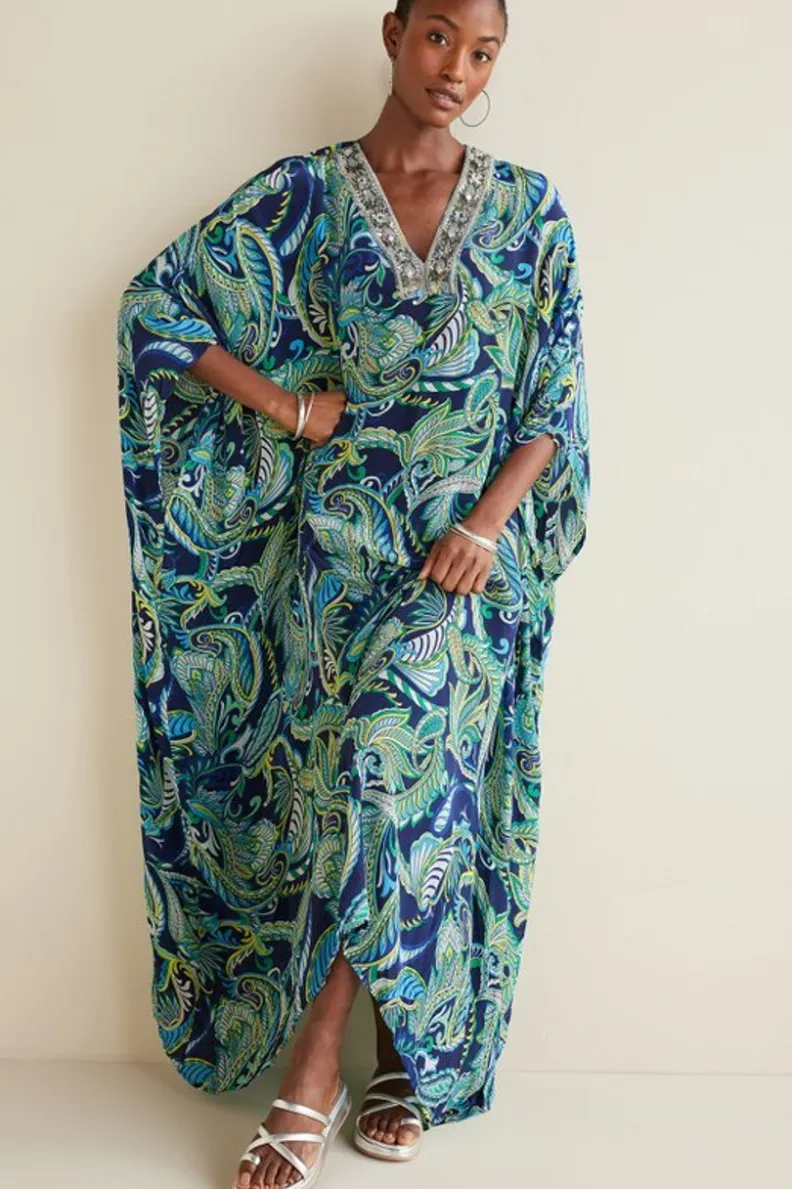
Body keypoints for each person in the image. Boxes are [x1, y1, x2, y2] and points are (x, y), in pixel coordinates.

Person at [116, 0, 590, 1185]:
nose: (458, 69)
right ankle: (399, 1060)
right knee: (355, 797)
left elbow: (552, 406)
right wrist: (290, 408)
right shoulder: (308, 197)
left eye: (483, 52)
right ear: (393, 33)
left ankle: (317, 1064)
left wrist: (486, 526)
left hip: (465, 569)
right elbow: (155, 310)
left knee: (393, 753)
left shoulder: (531, 211)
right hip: (334, 564)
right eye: (439, 37)